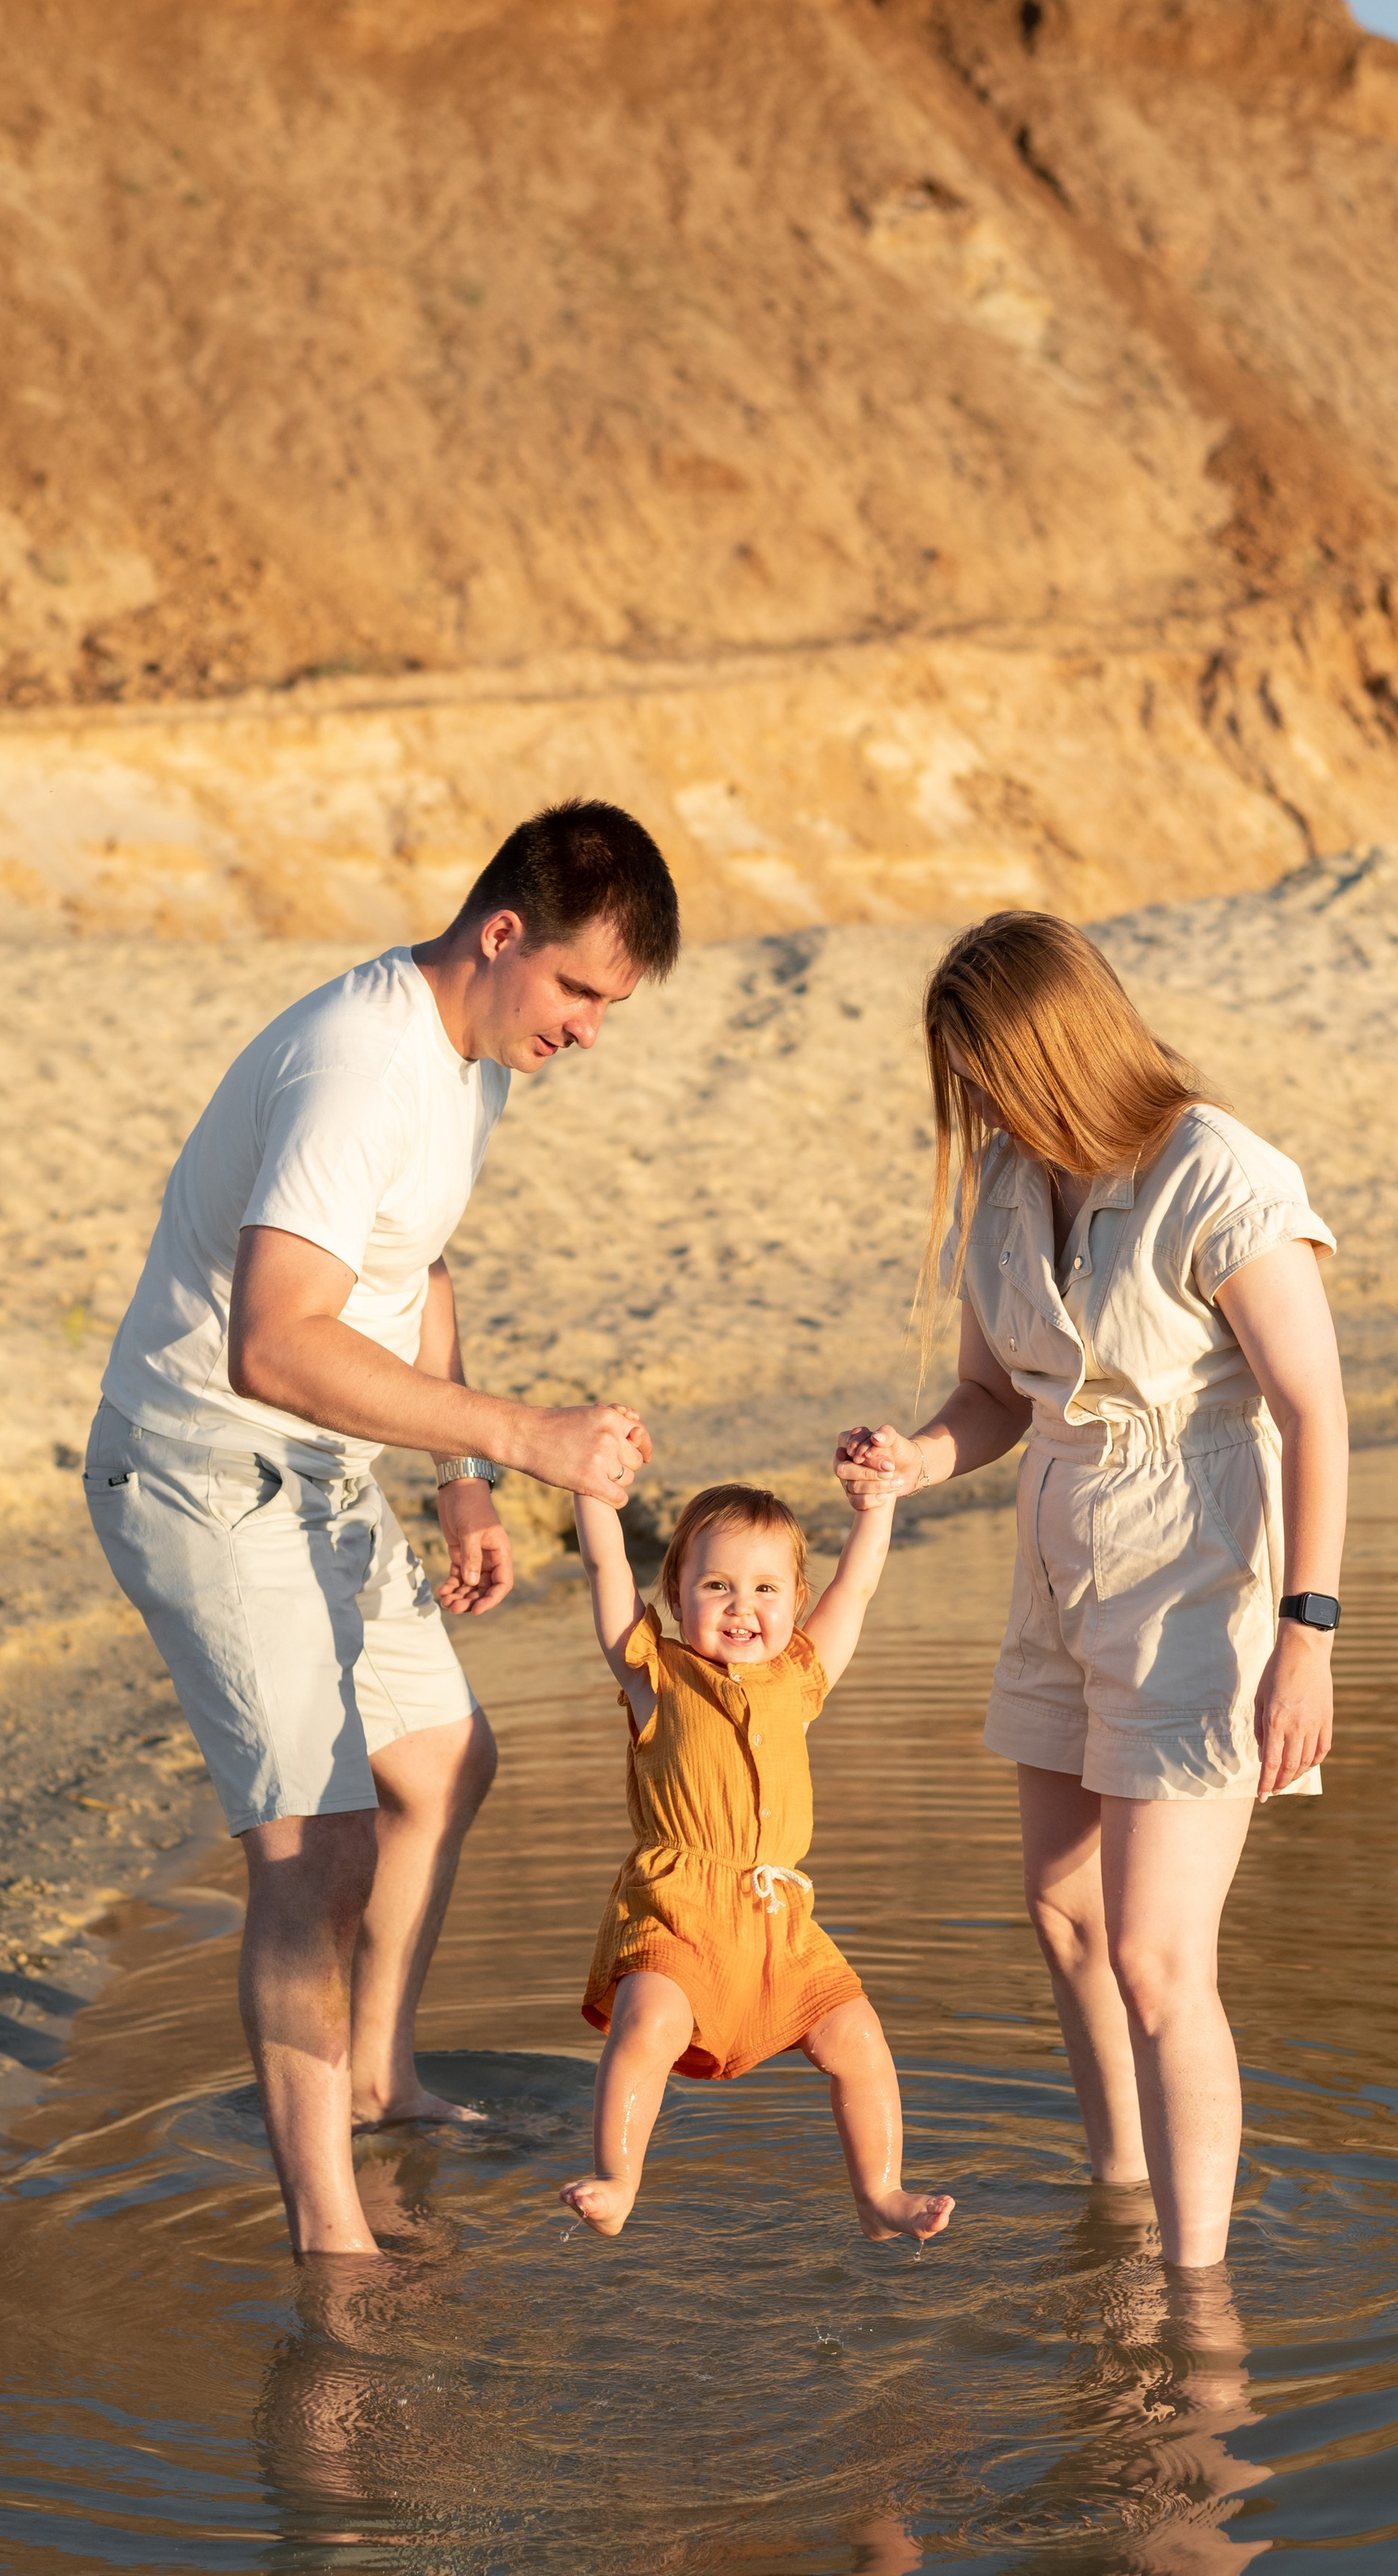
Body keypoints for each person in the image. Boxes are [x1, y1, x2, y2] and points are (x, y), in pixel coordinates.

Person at [83, 798, 679, 2260]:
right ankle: (330, 2234)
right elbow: (272, 1346)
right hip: (208, 1472)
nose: (592, 1031)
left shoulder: (473, 1057)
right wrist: (518, 1439)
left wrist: (461, 1479)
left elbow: (417, 1267)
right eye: (581, 991)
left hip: (331, 1473)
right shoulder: (359, 1063)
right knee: (316, 1847)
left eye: (615, 1005)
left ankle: (378, 2078)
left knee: (441, 1768)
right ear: (501, 935)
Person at [835, 910, 1347, 2269]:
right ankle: (1121, 2192)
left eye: (989, 1068)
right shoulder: (1009, 1183)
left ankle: (1197, 2298)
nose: (977, 1102)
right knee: (1064, 1914)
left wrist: (1310, 1634)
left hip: (1199, 1587)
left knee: (1159, 1960)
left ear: (1056, 1047)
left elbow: (1317, 1411)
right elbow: (995, 1397)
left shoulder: (1215, 1172)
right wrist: (915, 1460)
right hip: (1058, 1582)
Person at [558, 1480, 957, 2243]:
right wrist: (590, 1488)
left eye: (766, 1589)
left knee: (860, 2041)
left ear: (797, 1598)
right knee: (649, 2022)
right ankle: (619, 2177)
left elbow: (861, 1583)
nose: (743, 1607)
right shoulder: (655, 1677)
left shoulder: (802, 1676)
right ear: (675, 1595)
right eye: (717, 1586)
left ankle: (879, 2194)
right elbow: (607, 1571)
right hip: (679, 1908)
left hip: (780, 1919)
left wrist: (877, 1503)